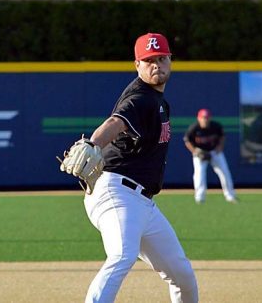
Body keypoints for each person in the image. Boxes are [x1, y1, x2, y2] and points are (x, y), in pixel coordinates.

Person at [59, 33, 199, 303]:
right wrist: (93, 143)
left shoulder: (157, 100)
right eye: (149, 60)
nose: (156, 64)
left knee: (182, 274)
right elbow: (116, 122)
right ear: (137, 65)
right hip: (117, 192)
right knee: (122, 255)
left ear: (171, 60)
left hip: (142, 203)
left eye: (161, 58)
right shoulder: (141, 98)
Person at [183, 109, 237, 204]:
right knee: (199, 174)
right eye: (203, 118)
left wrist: (219, 147)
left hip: (214, 151)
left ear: (210, 118)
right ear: (199, 118)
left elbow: (222, 136)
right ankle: (199, 197)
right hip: (200, 153)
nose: (205, 120)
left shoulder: (215, 126)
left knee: (224, 172)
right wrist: (195, 151)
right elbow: (187, 140)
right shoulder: (194, 128)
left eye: (207, 118)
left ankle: (230, 195)